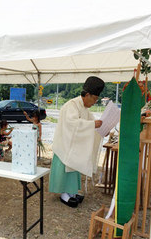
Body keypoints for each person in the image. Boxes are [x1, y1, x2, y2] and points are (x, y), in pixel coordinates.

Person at [49, 76, 105, 208]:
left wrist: (101, 129)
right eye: (94, 99)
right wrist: (92, 125)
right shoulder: (72, 105)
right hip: (64, 146)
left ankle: (71, 192)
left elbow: (91, 125)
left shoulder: (85, 109)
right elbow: (72, 124)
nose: (94, 103)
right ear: (87, 95)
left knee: (75, 168)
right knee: (65, 169)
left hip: (74, 148)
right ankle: (64, 194)